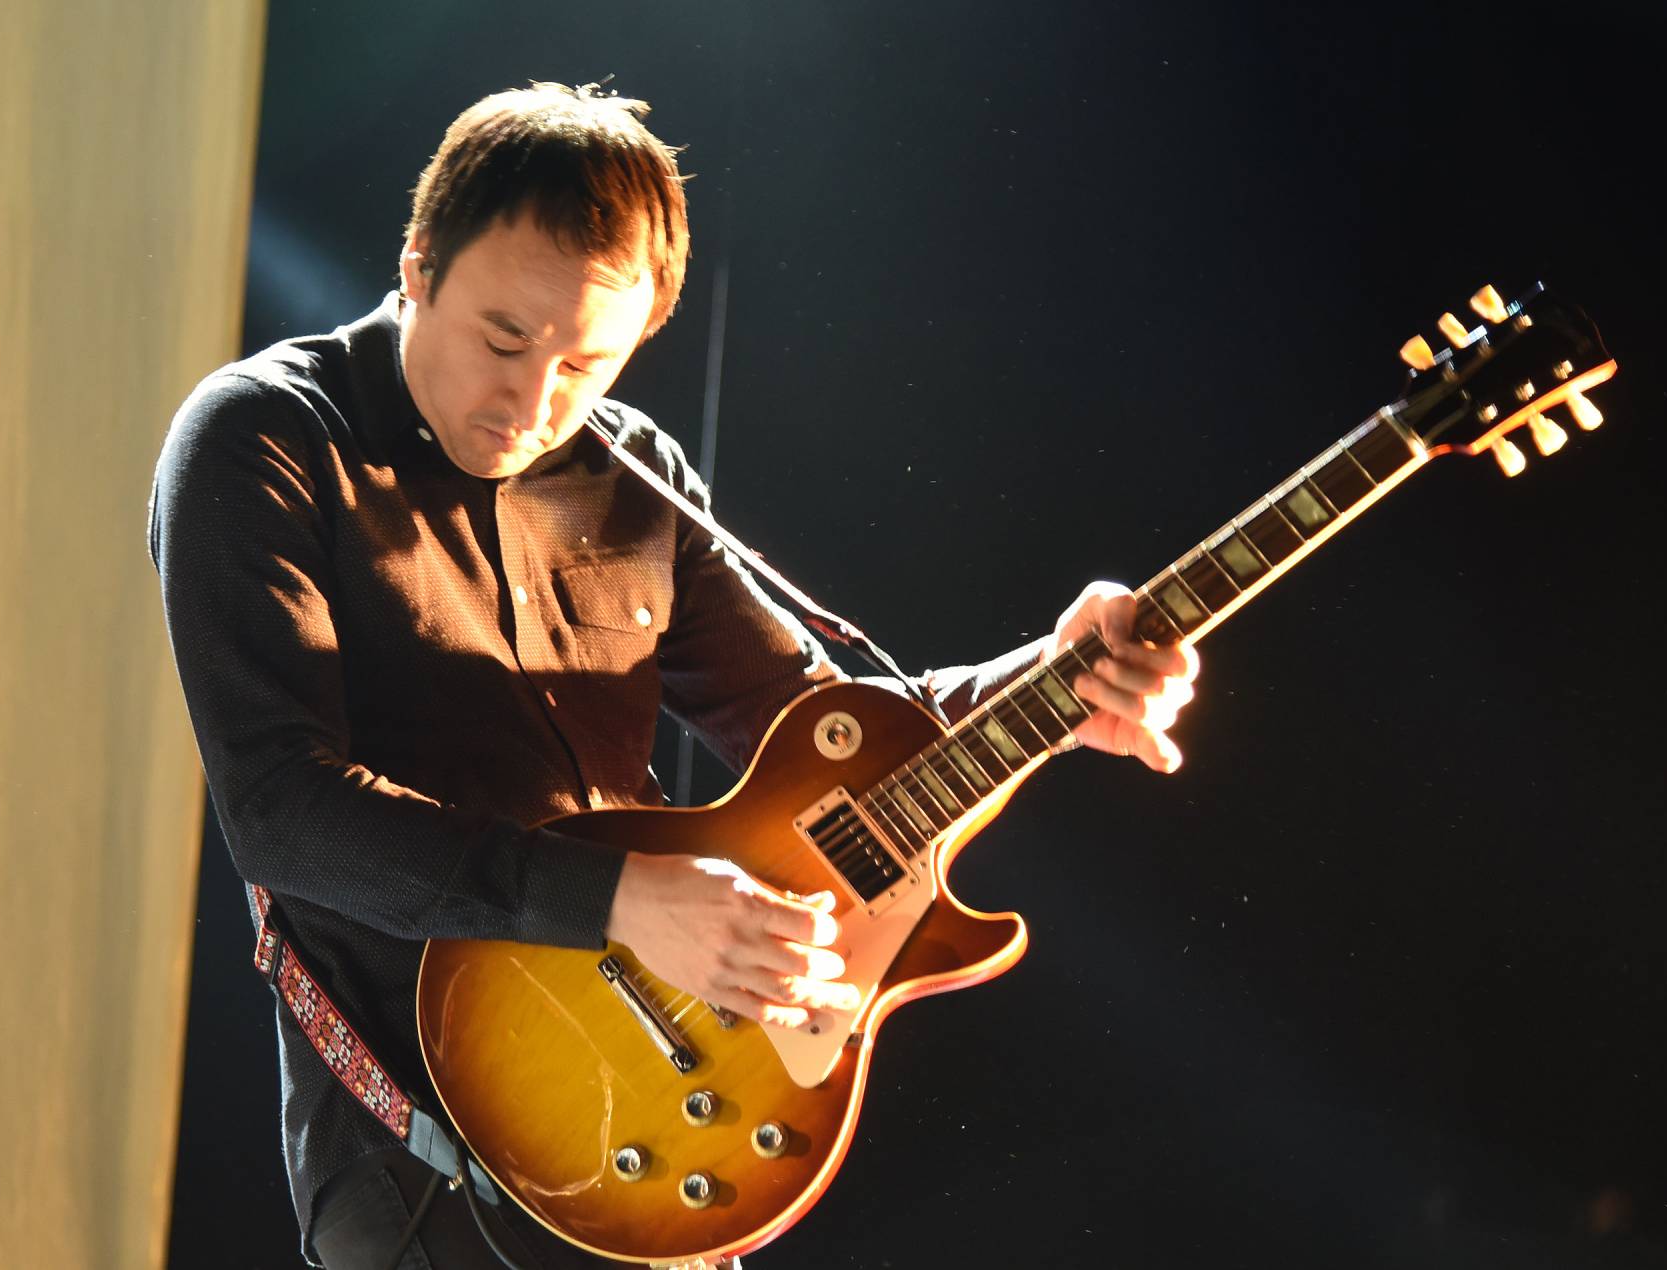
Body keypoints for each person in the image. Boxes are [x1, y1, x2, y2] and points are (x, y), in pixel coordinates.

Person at [150, 82, 1198, 1269]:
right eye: (504, 339)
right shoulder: (264, 437)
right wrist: (619, 899)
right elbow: (281, 815)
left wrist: (1055, 684)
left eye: (585, 366)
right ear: (419, 263)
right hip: (426, 1158)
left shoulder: (627, 471)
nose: (533, 402)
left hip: (658, 1126)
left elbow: (818, 734)